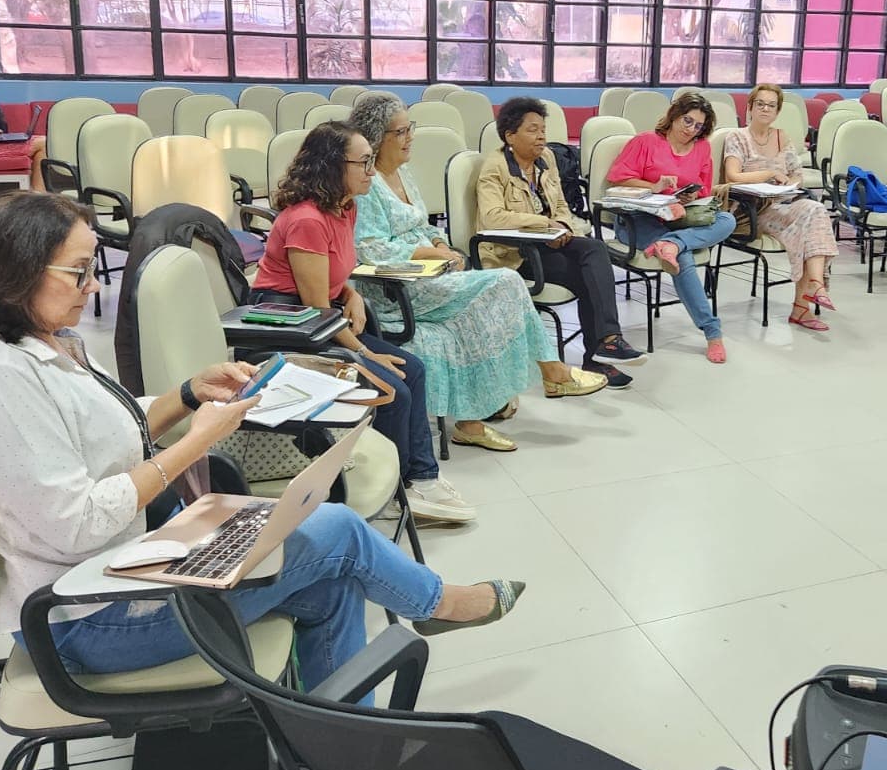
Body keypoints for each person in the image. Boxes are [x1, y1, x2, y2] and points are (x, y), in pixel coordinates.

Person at [0, 192, 521, 694]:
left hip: (129, 568)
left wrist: (189, 395)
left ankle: (335, 752)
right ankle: (440, 605)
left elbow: (104, 433)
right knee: (336, 530)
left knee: (334, 578)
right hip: (88, 620)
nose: (92, 287)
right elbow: (74, 524)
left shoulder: (46, 347)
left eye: (92, 269)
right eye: (78, 272)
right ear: (10, 274)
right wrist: (196, 443)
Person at [349, 93, 606, 452]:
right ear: (378, 137)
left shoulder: (403, 173)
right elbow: (370, 248)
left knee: (475, 313)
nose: (411, 137)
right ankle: (553, 372)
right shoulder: (366, 183)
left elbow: (422, 224)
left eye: (411, 128)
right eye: (403, 131)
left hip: (429, 274)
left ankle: (473, 420)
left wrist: (439, 242)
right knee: (504, 281)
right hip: (395, 286)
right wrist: (432, 253)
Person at [253, 122, 472, 524]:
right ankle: (393, 496)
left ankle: (420, 478)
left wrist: (352, 294)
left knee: (414, 370)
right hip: (292, 325)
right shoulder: (307, 220)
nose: (373, 172)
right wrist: (367, 353)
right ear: (332, 167)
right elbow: (315, 309)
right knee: (393, 390)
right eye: (364, 163)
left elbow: (340, 275)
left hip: (324, 314)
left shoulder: (344, 207)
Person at [477, 97, 647, 388]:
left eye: (543, 129)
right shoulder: (495, 167)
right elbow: (493, 217)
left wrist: (563, 229)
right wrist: (545, 225)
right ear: (509, 136)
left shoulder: (546, 160)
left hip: (548, 242)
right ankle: (598, 357)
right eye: (532, 130)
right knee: (586, 277)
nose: (542, 136)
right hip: (515, 253)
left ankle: (608, 341)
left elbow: (560, 208)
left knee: (594, 248)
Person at [606, 92, 738, 364]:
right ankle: (712, 332)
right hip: (639, 219)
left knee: (728, 220)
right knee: (683, 256)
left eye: (698, 126)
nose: (691, 130)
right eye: (687, 121)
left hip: (678, 216)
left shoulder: (701, 148)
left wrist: (691, 197)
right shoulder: (645, 142)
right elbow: (617, 179)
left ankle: (674, 242)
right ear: (674, 116)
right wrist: (653, 188)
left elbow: (703, 190)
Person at [721, 83, 839, 332]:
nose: (765, 109)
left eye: (771, 105)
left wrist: (789, 184)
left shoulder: (781, 136)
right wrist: (769, 173)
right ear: (750, 107)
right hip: (751, 210)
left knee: (815, 212)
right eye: (760, 104)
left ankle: (814, 286)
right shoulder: (737, 137)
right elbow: (732, 176)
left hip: (783, 202)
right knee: (807, 224)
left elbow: (797, 174)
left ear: (777, 110)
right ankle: (804, 304)